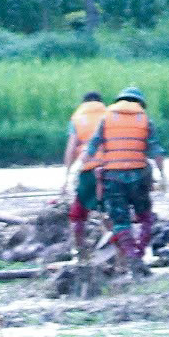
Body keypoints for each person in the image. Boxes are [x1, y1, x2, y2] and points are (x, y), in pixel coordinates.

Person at [81, 86, 158, 270]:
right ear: (140, 103)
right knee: (145, 217)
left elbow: (92, 147)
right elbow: (156, 151)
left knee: (120, 221)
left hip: (113, 178)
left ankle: (132, 256)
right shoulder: (146, 120)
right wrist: (162, 176)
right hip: (140, 176)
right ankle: (139, 252)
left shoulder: (106, 118)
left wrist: (82, 167)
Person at [62, 90, 108, 256]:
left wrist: (67, 174)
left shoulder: (77, 118)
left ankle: (80, 250)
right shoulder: (109, 114)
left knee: (78, 213)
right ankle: (119, 253)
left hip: (87, 170)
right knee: (110, 211)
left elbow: (71, 148)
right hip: (109, 169)